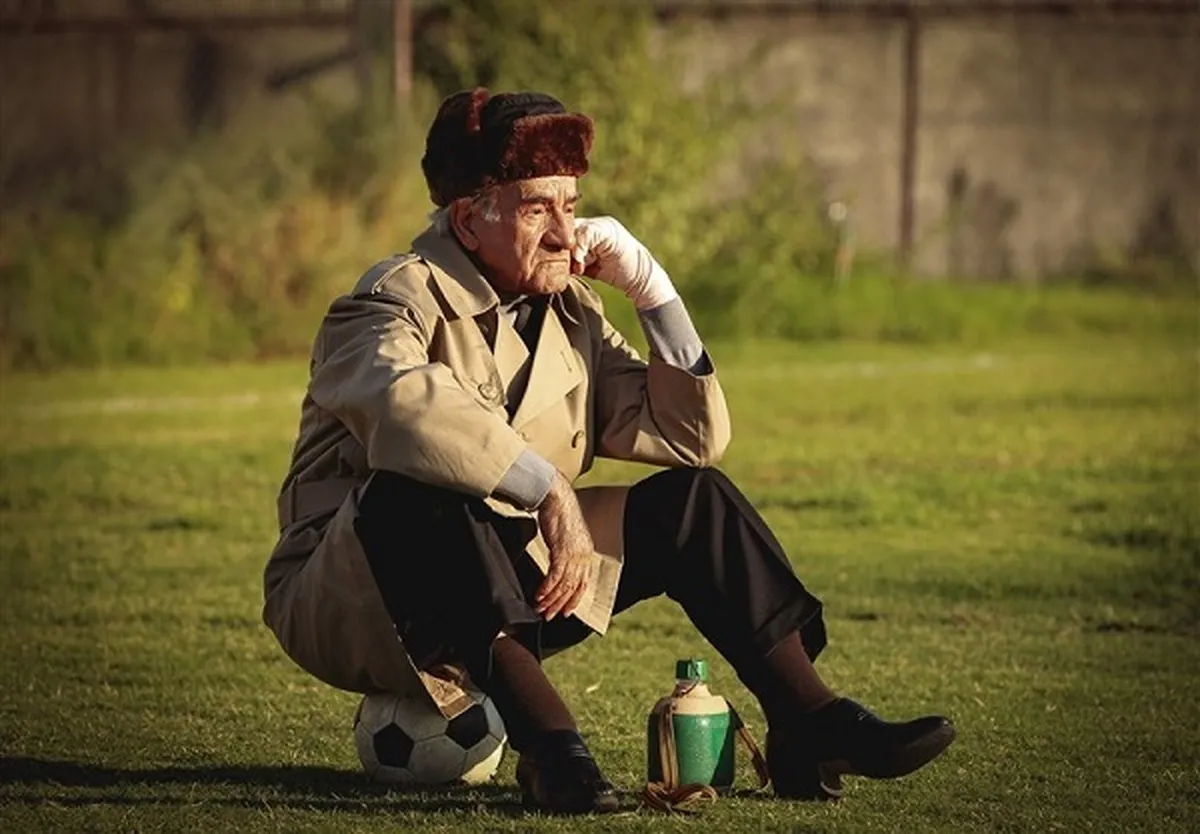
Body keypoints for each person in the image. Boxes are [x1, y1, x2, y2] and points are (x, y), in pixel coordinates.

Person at [263, 88, 955, 814]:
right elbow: (405, 411)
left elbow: (690, 437)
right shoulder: (391, 298)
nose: (566, 234)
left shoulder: (572, 311)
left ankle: (809, 720)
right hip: (354, 593)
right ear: (469, 220)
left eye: (573, 205)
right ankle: (553, 753)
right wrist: (548, 489)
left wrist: (653, 292)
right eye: (538, 209)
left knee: (694, 500)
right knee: (428, 487)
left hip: (514, 573)